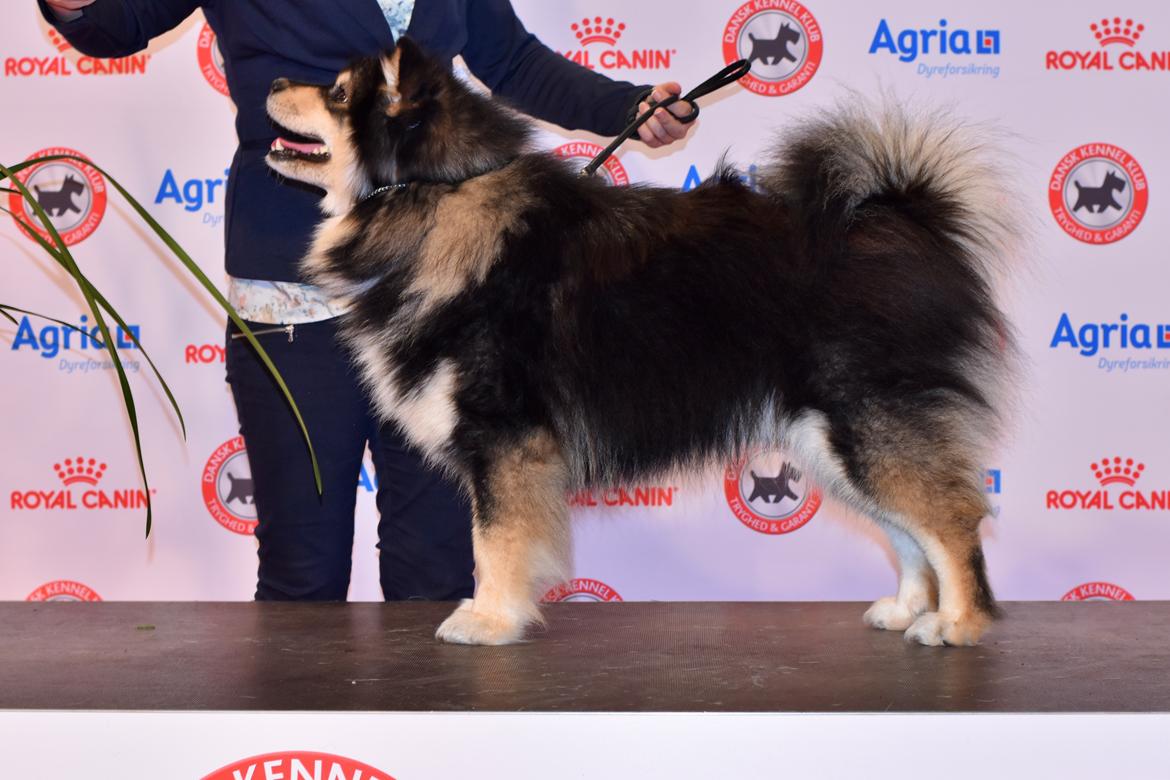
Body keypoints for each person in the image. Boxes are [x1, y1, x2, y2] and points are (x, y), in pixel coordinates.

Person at [41, 0, 695, 602]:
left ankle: (426, 733)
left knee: (434, 570)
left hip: (437, 294)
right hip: (295, 291)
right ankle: (295, 734)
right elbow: (114, 21)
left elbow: (510, 57)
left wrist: (629, 106)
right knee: (304, 572)